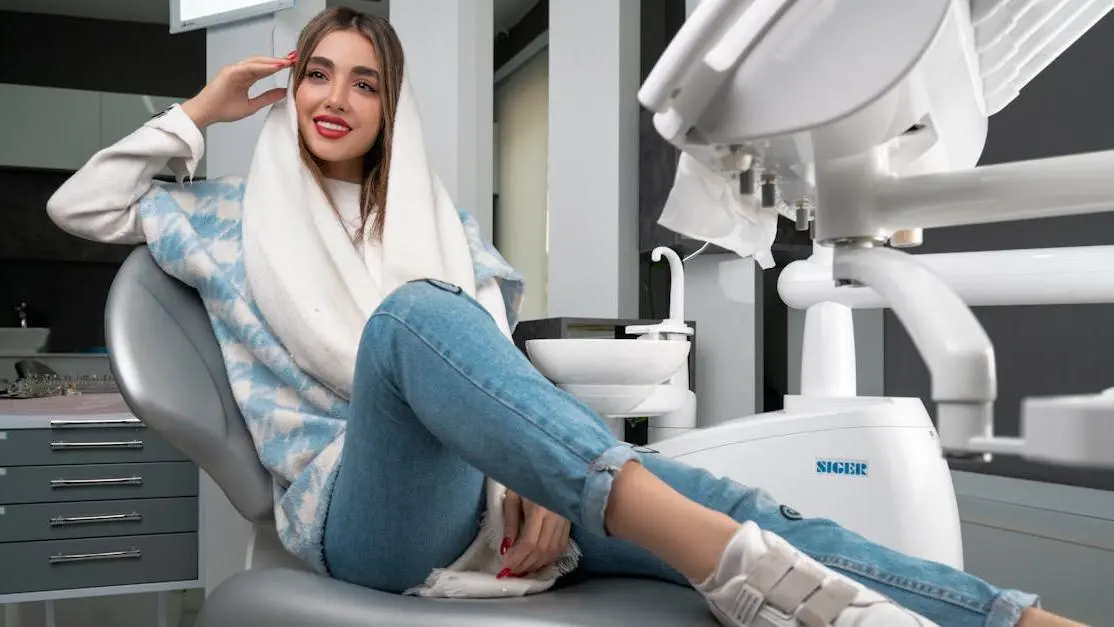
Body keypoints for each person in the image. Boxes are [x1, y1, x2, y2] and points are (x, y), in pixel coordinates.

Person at [47, 7, 1085, 627]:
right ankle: (677, 528)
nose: (336, 97)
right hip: (356, 518)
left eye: (364, 83)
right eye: (317, 73)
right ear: (287, 89)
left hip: (491, 497)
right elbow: (81, 205)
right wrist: (200, 110)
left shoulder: (442, 225)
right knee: (415, 320)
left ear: (388, 108)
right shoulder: (219, 221)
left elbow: (492, 373)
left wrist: (530, 474)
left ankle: (1018, 617)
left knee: (744, 514)